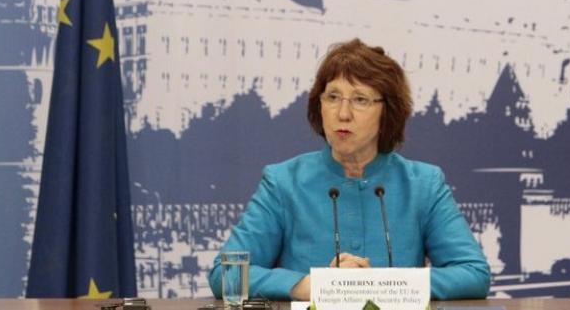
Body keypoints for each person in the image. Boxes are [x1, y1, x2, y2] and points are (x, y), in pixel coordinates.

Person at [208, 38, 490, 300]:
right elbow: (226, 273)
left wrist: (380, 287)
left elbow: (473, 274)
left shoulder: (422, 184)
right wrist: (310, 286)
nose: (343, 113)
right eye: (332, 97)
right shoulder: (283, 182)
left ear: (388, 111)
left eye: (360, 99)